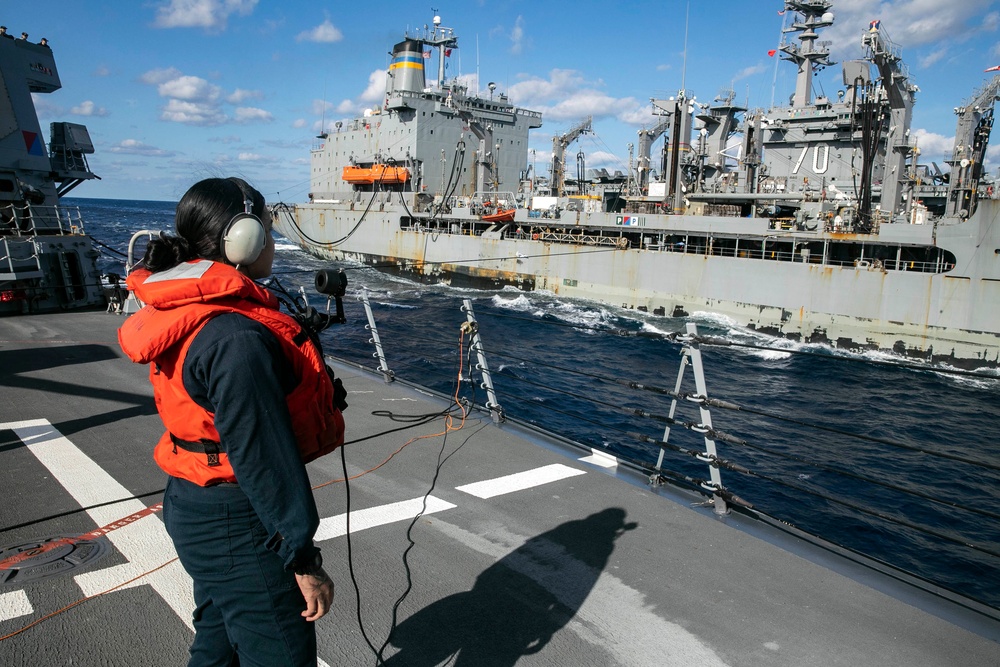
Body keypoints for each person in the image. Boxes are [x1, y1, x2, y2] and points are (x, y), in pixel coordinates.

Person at [119, 177, 345, 666]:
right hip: (238, 520)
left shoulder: (190, 308)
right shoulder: (235, 339)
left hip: (194, 500)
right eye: (265, 227)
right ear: (243, 238)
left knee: (218, 641)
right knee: (280, 654)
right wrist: (303, 559)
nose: (271, 238)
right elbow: (262, 458)